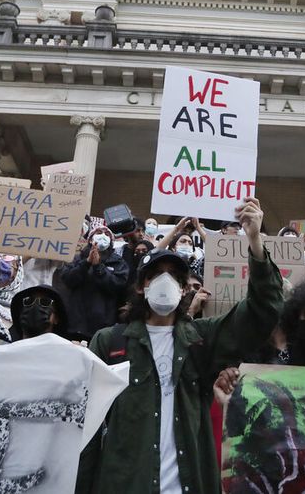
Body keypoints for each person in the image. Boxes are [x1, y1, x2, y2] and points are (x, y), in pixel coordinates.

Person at [77, 197, 284, 494]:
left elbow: (263, 311)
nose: (165, 281)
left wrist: (254, 240)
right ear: (140, 286)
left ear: (185, 288)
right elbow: (88, 428)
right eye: (155, 275)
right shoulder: (110, 341)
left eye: (174, 276)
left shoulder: (202, 338)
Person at [58, 225, 130, 340]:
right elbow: (68, 279)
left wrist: (98, 267)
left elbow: (117, 285)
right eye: (99, 232)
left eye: (107, 234)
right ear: (91, 239)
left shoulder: (118, 263)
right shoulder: (76, 258)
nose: (103, 236)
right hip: (77, 325)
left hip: (104, 327)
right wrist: (86, 263)